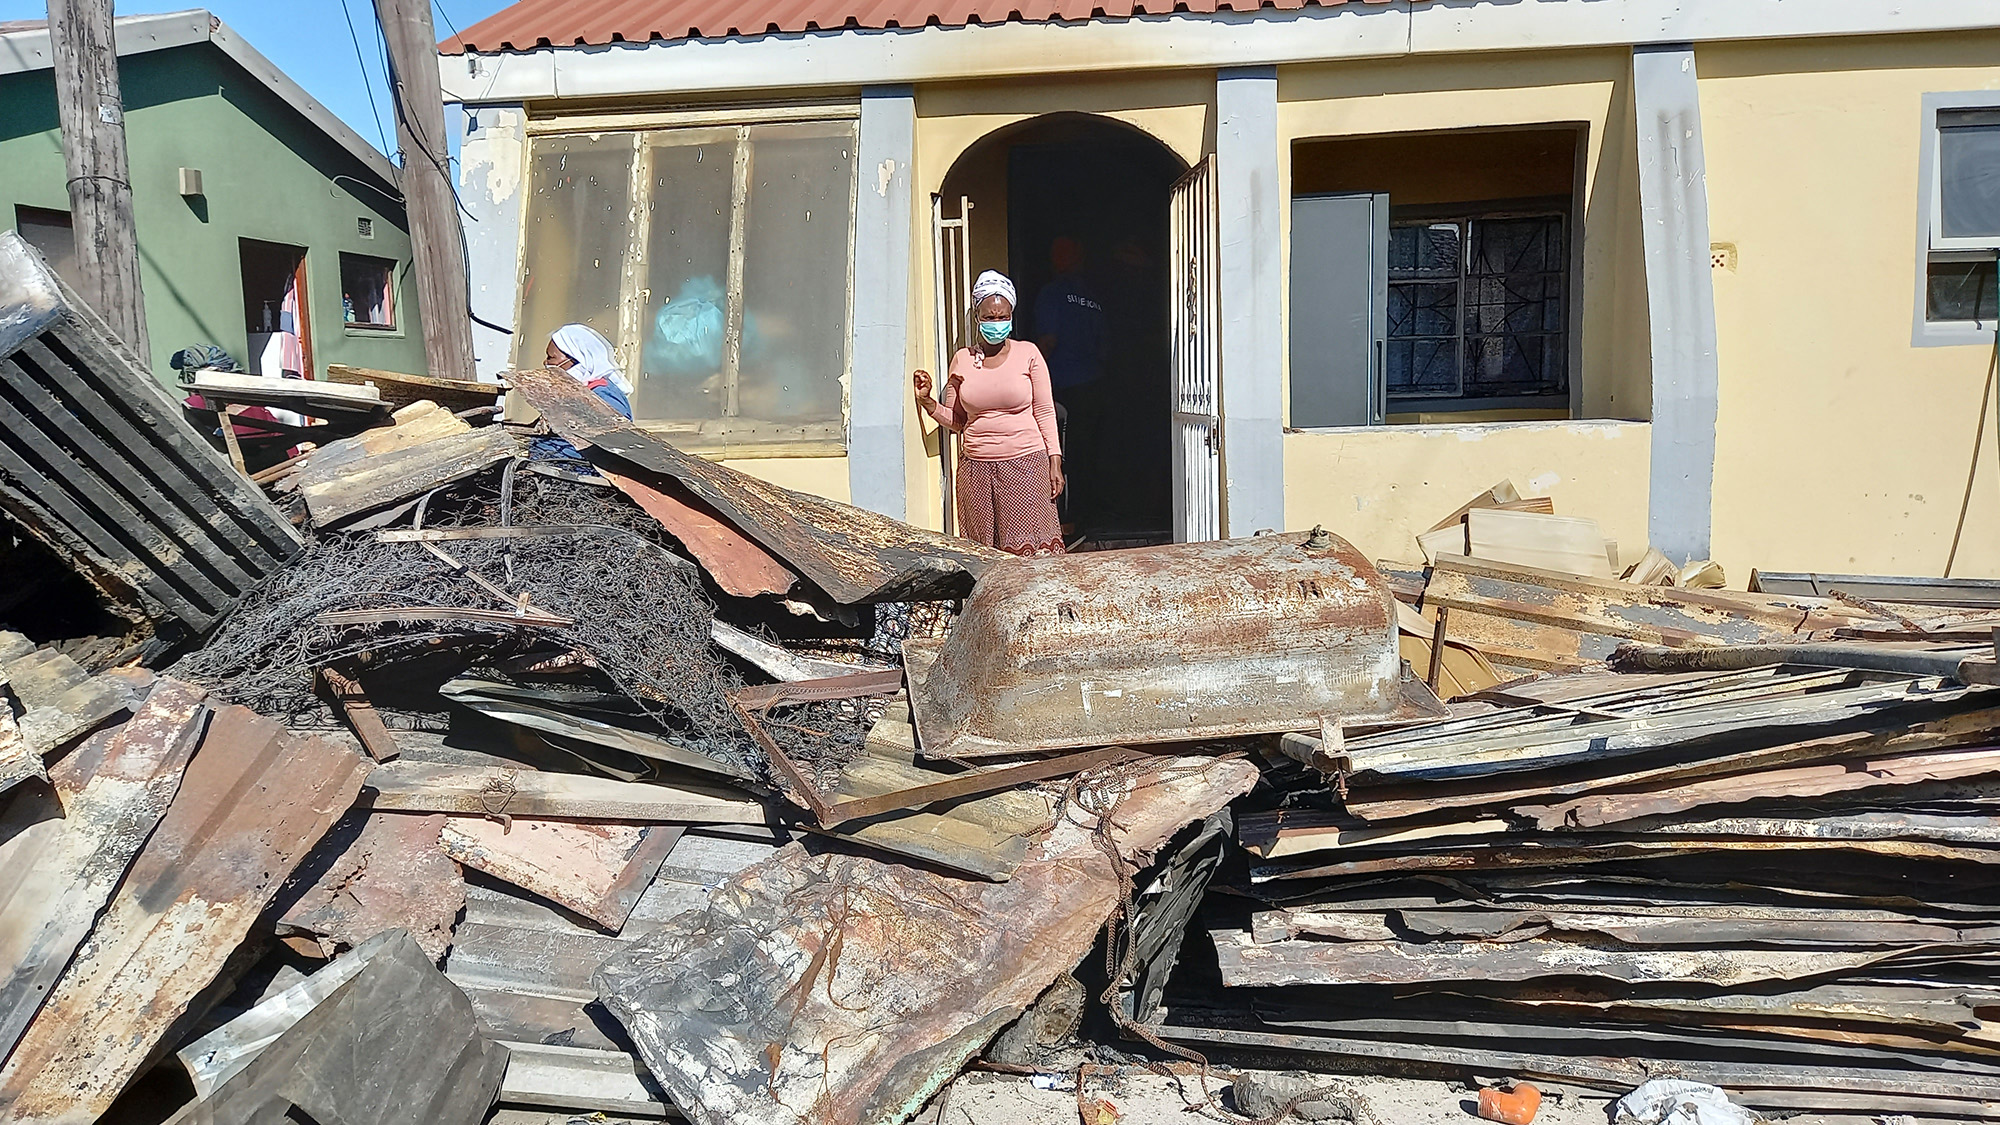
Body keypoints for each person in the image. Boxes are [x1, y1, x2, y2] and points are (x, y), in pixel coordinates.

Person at [913, 271, 1066, 556]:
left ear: (1011, 316)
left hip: (1026, 467)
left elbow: (1044, 411)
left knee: (1030, 558)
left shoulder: (1028, 354)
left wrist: (1054, 462)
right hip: (977, 472)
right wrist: (928, 403)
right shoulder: (962, 360)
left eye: (1002, 316)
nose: (997, 323)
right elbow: (958, 420)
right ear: (977, 319)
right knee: (986, 557)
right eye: (990, 317)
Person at [1033, 236, 1107, 532]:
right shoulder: (1094, 298)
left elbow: (1047, 341)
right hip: (1094, 384)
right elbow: (1105, 347)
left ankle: (1065, 520)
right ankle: (1088, 516)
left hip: (1061, 387)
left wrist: (1031, 373)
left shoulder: (1052, 294)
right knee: (1087, 452)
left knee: (1060, 453)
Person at [531, 324, 634, 462]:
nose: (546, 362)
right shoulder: (578, 392)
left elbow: (615, 442)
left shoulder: (603, 394)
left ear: (576, 359)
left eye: (551, 357)